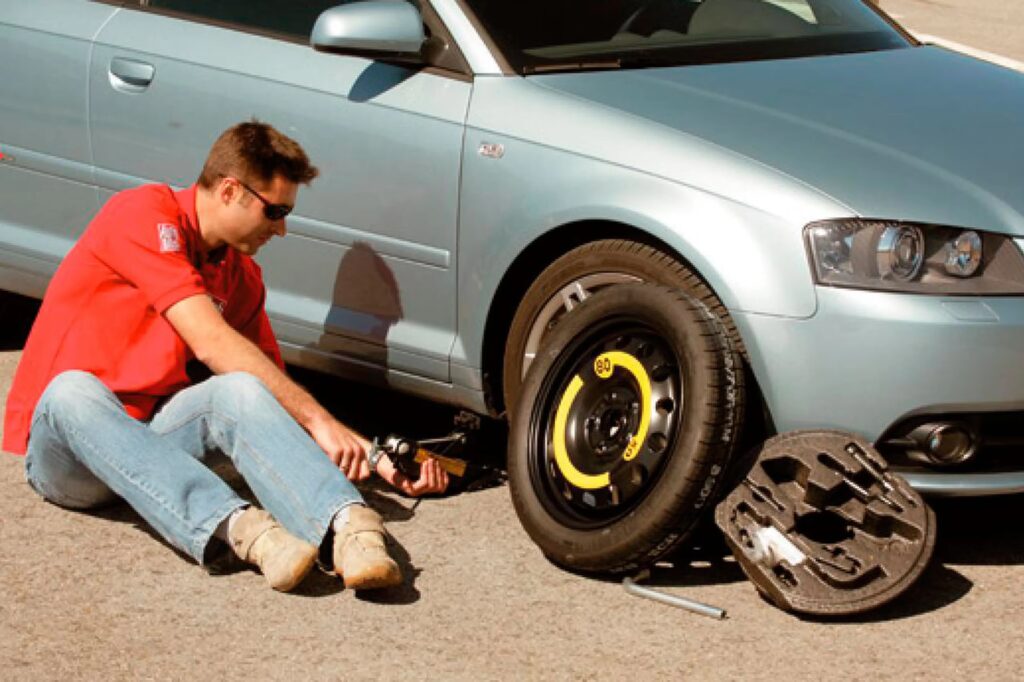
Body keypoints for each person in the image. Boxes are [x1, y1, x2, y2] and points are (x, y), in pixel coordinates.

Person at [2, 121, 448, 592]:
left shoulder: (242, 277)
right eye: (275, 211)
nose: (282, 229)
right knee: (72, 390)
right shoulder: (142, 214)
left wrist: (375, 458)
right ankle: (245, 533)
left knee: (241, 389)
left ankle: (349, 529)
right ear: (230, 190)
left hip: (152, 440)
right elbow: (210, 341)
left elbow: (272, 401)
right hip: (69, 454)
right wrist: (320, 421)